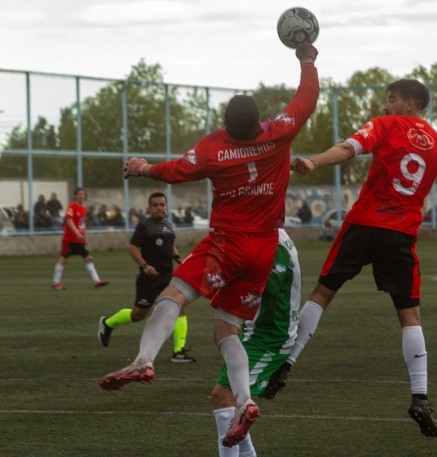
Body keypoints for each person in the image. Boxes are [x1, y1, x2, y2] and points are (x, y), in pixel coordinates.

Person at [262, 78, 437, 437]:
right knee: (409, 315)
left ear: (409, 104)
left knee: (323, 293)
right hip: (400, 235)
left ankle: (285, 365)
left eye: (391, 99)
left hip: (362, 225)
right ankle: (420, 397)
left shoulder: (383, 126)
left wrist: (313, 162)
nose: (385, 106)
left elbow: (348, 149)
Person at [99, 42, 319, 448]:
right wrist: (307, 58)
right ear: (260, 120)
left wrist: (142, 167)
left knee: (174, 295)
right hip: (263, 250)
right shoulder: (280, 132)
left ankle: (144, 361)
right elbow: (306, 98)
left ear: (226, 121)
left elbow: (175, 171)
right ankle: (246, 400)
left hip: (226, 244)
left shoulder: (214, 148)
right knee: (227, 329)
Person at [211, 228, 300, 456]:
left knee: (224, 397)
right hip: (255, 332)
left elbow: (265, 287)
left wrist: (225, 275)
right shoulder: (269, 235)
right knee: (236, 404)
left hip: (270, 337)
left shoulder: (275, 244)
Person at [98, 192, 195, 363]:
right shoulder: (144, 226)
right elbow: (132, 247)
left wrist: (178, 258)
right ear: (150, 208)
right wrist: (144, 265)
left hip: (168, 276)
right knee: (138, 315)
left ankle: (178, 351)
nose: (160, 208)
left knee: (179, 307)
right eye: (156, 205)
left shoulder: (169, 225)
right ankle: (108, 323)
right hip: (148, 278)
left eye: (162, 205)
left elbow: (170, 246)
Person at [50, 188, 109, 290]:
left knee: (88, 258)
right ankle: (56, 283)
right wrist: (77, 233)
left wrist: (83, 237)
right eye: (79, 194)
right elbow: (69, 221)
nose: (81, 196)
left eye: (83, 194)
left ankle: (96, 281)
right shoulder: (71, 207)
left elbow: (82, 224)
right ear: (75, 196)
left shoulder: (83, 208)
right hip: (69, 239)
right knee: (64, 259)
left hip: (80, 240)